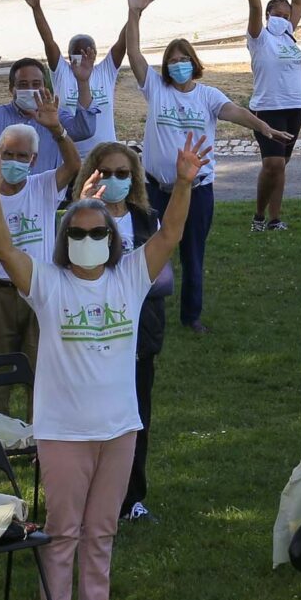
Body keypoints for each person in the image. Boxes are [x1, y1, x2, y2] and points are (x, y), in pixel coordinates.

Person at [0, 134, 200, 600]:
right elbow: (4, 249)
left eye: (98, 232)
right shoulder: (47, 283)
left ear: (113, 240)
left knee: (103, 529)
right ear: (65, 237)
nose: (89, 239)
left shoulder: (130, 277)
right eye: (78, 232)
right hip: (64, 432)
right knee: (64, 531)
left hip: (119, 428)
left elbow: (171, 233)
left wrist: (183, 184)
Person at [122, 0, 293, 333]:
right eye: (172, 61)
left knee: (193, 252)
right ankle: (140, 309)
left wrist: (264, 128)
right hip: (155, 189)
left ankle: (191, 316)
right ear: (166, 66)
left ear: (193, 63)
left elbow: (236, 112)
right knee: (147, 250)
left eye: (184, 60)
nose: (178, 65)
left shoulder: (207, 96)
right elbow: (134, 52)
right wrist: (134, 13)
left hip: (196, 189)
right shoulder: (156, 88)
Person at [81, 141, 171, 521]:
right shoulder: (81, 219)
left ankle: (130, 497)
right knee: (92, 416)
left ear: (133, 178)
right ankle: (90, 493)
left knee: (136, 417)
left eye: (123, 173)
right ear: (93, 173)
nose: (115, 180)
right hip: (93, 334)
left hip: (139, 333)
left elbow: (162, 278)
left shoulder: (148, 220)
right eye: (107, 173)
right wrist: (83, 207)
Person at [0, 104, 81, 360]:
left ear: (33, 159)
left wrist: (57, 130)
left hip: (38, 289)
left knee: (39, 366)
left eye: (22, 156)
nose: (14, 161)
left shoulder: (44, 186)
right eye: (8, 154)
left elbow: (73, 165)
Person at [237, 0, 301, 232]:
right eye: (277, 14)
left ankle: (274, 219)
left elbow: (300, 2)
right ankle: (259, 217)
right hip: (268, 109)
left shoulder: (289, 35)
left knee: (281, 165)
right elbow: (254, 5)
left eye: (286, 15)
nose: (284, 19)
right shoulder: (259, 38)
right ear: (268, 15)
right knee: (273, 164)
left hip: (294, 108)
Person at [19, 0, 131, 152]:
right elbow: (48, 41)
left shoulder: (105, 71)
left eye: (87, 52)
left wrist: (135, 12)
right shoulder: (62, 72)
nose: (82, 58)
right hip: (71, 154)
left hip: (106, 154)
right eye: (77, 53)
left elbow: (122, 42)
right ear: (69, 55)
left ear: (95, 53)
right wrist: (36, 8)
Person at [0, 37, 92, 180]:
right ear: (12, 89)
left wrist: (83, 82)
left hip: (46, 191)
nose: (30, 89)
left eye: (36, 84)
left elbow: (84, 129)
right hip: (1, 191)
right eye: (23, 84)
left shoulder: (55, 117)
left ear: (45, 87)